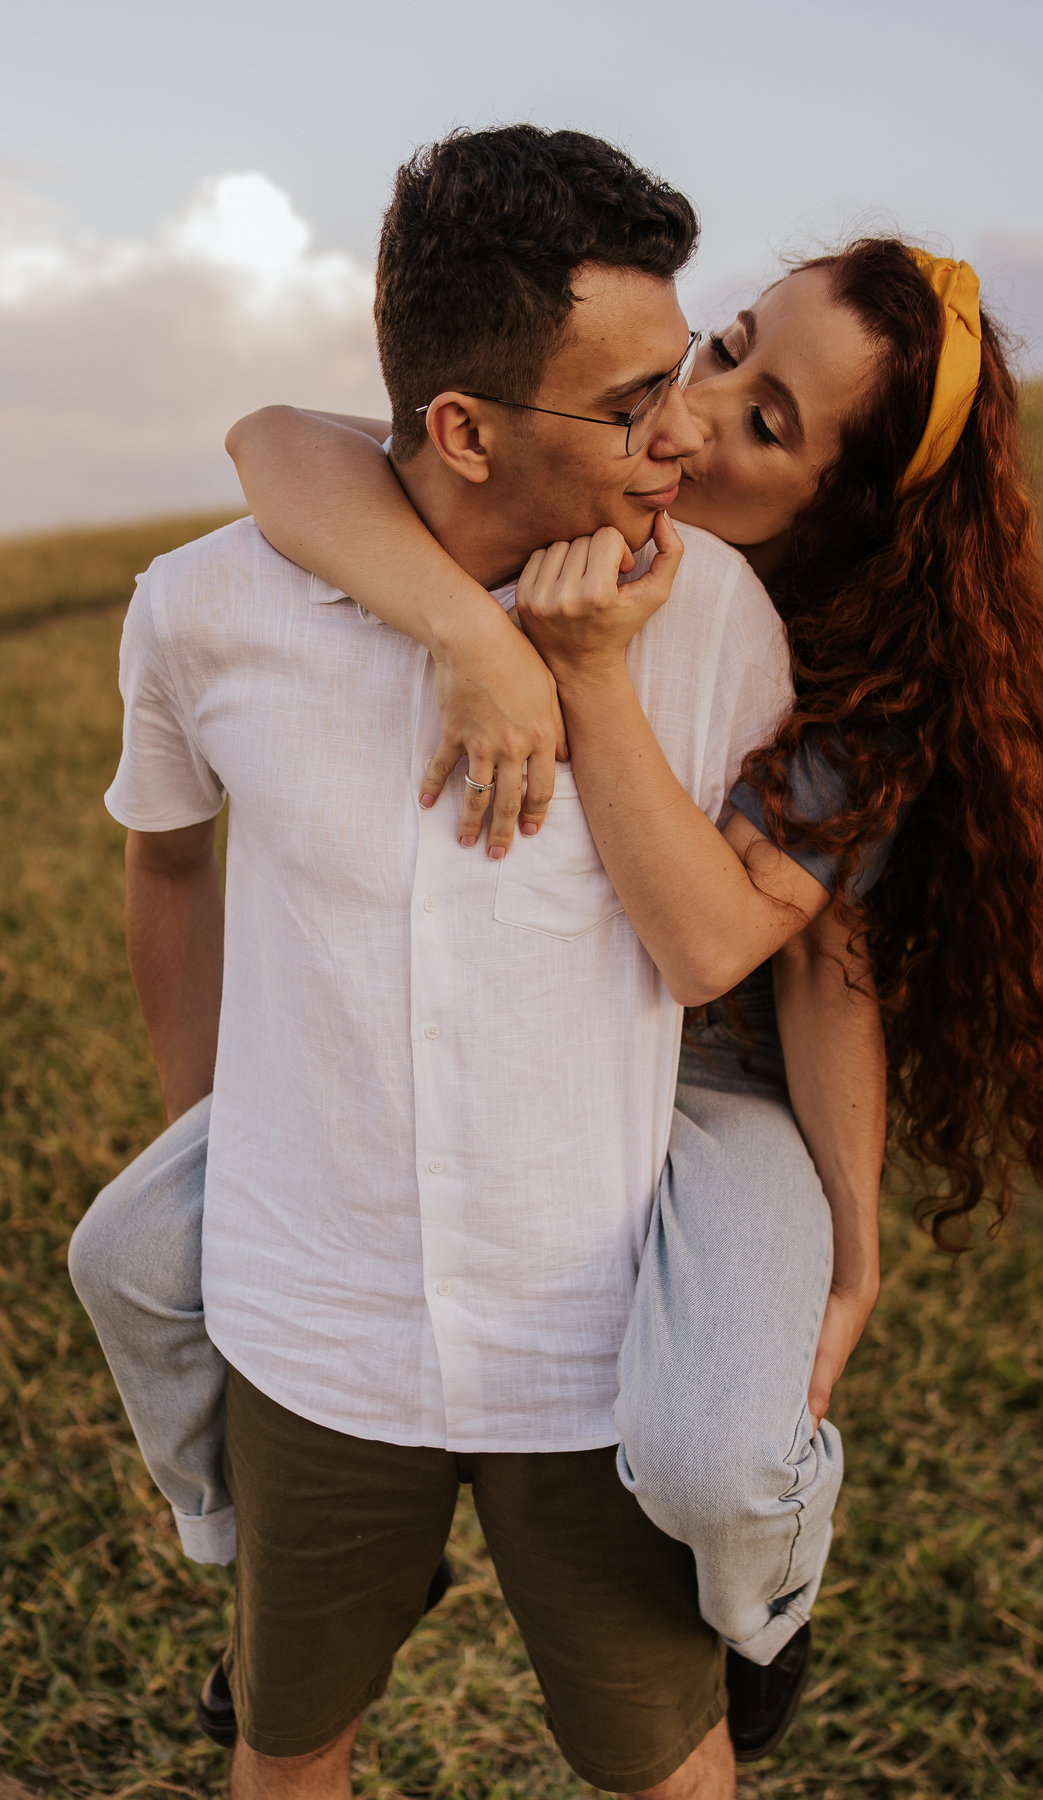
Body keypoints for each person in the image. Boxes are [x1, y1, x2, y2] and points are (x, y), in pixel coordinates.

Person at [70, 123, 859, 1800]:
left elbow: (803, 950)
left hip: (596, 1346)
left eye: (686, 371)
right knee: (288, 1749)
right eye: (633, 400)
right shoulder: (205, 610)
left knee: (665, 1765)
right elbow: (167, 865)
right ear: (460, 428)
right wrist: (220, 1129)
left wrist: (846, 1246)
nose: (683, 432)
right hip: (312, 1336)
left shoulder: (719, 622)